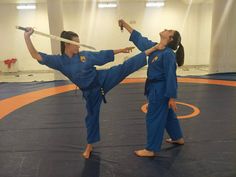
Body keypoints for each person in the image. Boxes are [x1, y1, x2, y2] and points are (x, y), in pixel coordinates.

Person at [24, 27, 161, 159]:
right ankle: (90, 145)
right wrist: (27, 37)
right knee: (91, 117)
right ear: (67, 44)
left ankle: (152, 49)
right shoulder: (60, 62)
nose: (78, 46)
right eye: (75, 43)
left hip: (102, 79)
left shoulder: (84, 55)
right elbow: (35, 55)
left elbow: (101, 55)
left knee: (123, 68)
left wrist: (120, 50)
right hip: (91, 93)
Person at [118, 19, 185, 157]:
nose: (166, 28)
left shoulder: (168, 54)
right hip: (154, 87)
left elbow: (171, 76)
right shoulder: (155, 47)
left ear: (170, 38)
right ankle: (178, 138)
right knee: (168, 116)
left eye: (169, 30)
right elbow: (139, 38)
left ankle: (151, 149)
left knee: (153, 118)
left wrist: (172, 97)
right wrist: (125, 25)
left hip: (160, 90)